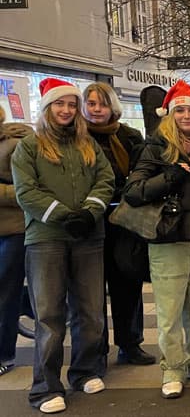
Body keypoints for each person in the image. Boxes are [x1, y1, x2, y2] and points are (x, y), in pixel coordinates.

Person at [11, 78, 115, 414]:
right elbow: (26, 191)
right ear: (47, 108)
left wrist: (90, 211)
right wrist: (61, 215)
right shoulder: (29, 145)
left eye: (72, 104)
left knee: (90, 310)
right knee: (49, 315)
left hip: (88, 236)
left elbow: (106, 179)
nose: (67, 110)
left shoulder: (87, 144)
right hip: (46, 239)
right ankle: (45, 387)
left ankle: (84, 370)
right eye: (60, 104)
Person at [124, 80, 190, 400]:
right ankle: (172, 368)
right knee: (170, 312)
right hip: (169, 242)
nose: (187, 115)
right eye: (180, 110)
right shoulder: (156, 147)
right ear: (170, 115)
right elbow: (134, 191)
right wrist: (173, 173)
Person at [82, 82, 155, 368]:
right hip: (90, 223)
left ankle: (130, 343)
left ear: (113, 106)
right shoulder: (77, 136)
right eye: (91, 104)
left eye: (102, 104)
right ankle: (95, 348)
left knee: (127, 284)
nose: (97, 109)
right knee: (91, 291)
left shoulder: (129, 136)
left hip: (123, 222)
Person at [0, 106, 33, 377]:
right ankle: (28, 304)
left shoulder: (13, 146)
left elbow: (26, 188)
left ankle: (4, 353)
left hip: (12, 229)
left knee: (5, 292)